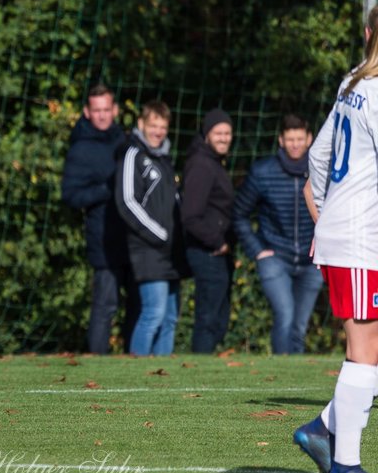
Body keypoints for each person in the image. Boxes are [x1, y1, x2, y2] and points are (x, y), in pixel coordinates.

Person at [293, 4, 378, 473]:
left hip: (350, 235)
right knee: (363, 351)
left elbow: (318, 157)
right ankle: (344, 465)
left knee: (370, 349)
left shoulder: (354, 83)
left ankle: (323, 428)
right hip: (362, 240)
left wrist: (328, 216)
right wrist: (339, 221)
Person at [231, 113, 323, 354]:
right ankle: (280, 371)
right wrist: (258, 250)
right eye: (290, 139)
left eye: (300, 139)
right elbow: (239, 214)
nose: (295, 144)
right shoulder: (263, 172)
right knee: (285, 315)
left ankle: (294, 378)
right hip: (275, 258)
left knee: (299, 325)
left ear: (309, 139)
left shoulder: (322, 172)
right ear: (281, 140)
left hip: (312, 260)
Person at [61, 84, 138, 354]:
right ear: (87, 112)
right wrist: (107, 191)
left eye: (107, 109)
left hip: (133, 236)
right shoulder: (80, 149)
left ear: (115, 110)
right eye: (97, 110)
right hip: (103, 239)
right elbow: (70, 195)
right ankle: (97, 361)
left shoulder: (125, 142)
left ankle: (134, 359)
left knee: (138, 304)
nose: (103, 115)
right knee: (106, 305)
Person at [115, 100, 187, 357]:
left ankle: (160, 379)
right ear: (142, 124)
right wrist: (159, 233)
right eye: (153, 125)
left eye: (163, 127)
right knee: (153, 313)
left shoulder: (165, 159)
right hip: (148, 248)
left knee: (169, 319)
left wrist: (179, 236)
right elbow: (127, 201)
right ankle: (136, 374)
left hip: (170, 251)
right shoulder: (133, 155)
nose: (158, 131)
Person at [181, 109, 235, 353]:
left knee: (218, 319)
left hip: (215, 252)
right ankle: (197, 368)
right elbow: (190, 216)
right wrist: (217, 242)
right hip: (207, 252)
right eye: (218, 133)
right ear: (206, 135)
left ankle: (203, 364)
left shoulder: (212, 163)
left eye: (227, 133)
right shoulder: (202, 165)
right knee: (209, 319)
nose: (223, 138)